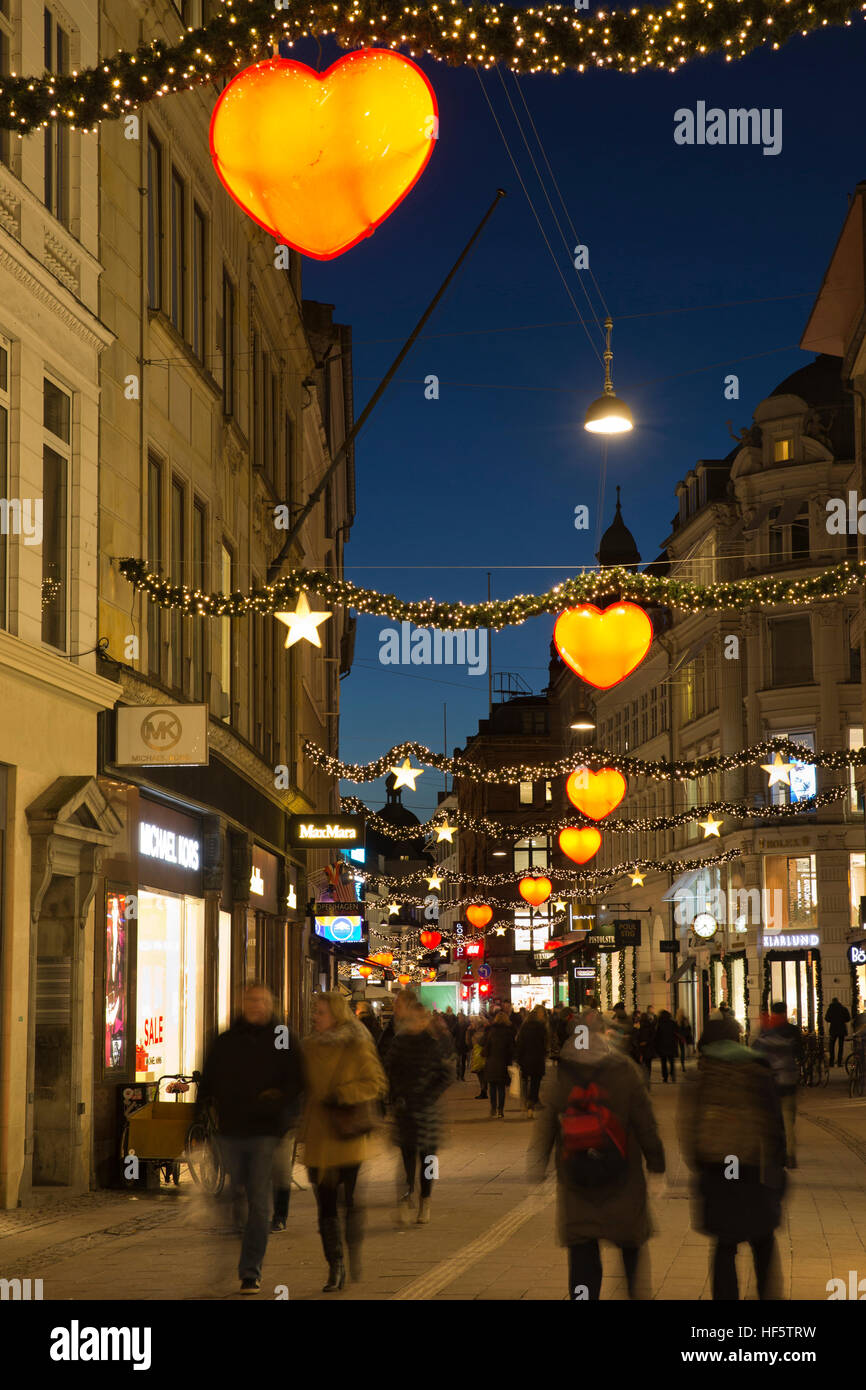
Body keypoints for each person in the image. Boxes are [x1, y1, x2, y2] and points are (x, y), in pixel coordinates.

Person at [529, 1009, 665, 1300]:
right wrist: (657, 1166)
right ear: (604, 1035)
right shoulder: (624, 1070)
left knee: (582, 1257)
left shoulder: (564, 1073)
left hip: (576, 1176)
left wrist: (538, 1166)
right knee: (630, 1248)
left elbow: (548, 1123)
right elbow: (645, 1122)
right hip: (623, 1175)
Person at [197, 982, 305, 1295]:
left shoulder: (283, 1037)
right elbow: (208, 1080)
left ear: (270, 1004)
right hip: (230, 1130)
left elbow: (298, 1080)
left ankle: (250, 1271)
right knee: (234, 1193)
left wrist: (282, 1111)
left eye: (261, 1001)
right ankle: (240, 1232)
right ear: (242, 1004)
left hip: (265, 1132)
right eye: (250, 1000)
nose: (255, 1006)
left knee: (259, 1201)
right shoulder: (226, 1040)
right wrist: (198, 1118)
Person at [678, 1014, 787, 1300]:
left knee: (725, 1243)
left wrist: (699, 1165)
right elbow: (774, 1124)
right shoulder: (757, 1069)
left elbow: (689, 1126)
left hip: (717, 1168)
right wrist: (778, 1165)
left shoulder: (700, 1075)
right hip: (753, 1167)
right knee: (762, 1239)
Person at [301, 991, 387, 1292]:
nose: (315, 1017)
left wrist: (343, 1094)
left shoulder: (357, 1043)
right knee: (325, 1206)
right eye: (314, 1011)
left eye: (320, 1012)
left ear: (336, 1014)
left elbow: (376, 1082)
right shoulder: (308, 1046)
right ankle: (334, 1265)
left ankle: (352, 1248)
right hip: (318, 1138)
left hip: (347, 1135)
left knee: (348, 1203)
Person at [386, 1001, 454, 1225]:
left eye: (420, 1019)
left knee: (429, 1160)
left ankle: (426, 1198)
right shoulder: (399, 1043)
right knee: (406, 1159)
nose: (416, 1023)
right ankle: (405, 1198)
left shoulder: (433, 1044)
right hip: (405, 1109)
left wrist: (430, 1095)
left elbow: (446, 1075)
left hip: (427, 1111)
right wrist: (395, 1096)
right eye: (412, 1019)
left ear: (425, 1020)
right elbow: (389, 1071)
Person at [751, 1002, 802, 1168]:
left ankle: (773, 1153)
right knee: (788, 1121)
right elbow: (799, 1053)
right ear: (785, 1012)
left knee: (772, 1120)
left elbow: (755, 1056)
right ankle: (790, 1155)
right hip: (788, 1081)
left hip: (771, 1084)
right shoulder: (793, 1031)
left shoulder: (765, 1033)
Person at [515, 1004, 548, 1118]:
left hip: (525, 1058)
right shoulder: (541, 1027)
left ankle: (526, 1101)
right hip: (537, 1058)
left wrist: (518, 1058)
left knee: (524, 1081)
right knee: (535, 1082)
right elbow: (545, 1044)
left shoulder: (524, 1027)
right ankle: (531, 1104)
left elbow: (519, 1043)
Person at [482, 1011, 515, 1118]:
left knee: (492, 1087)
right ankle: (500, 1110)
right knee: (501, 1088)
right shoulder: (508, 1033)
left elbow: (485, 1049)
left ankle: (493, 1108)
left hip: (491, 1062)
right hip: (503, 1063)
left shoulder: (491, 1032)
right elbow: (511, 1049)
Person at [467, 1014, 489, 1099]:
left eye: (472, 1022)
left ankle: (483, 1091)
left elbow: (470, 1044)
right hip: (480, 1055)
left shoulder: (479, 1033)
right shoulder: (481, 1032)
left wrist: (469, 1033)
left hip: (480, 1055)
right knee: (481, 1074)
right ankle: (483, 1090)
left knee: (481, 1074)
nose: (471, 1023)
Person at [825, 996, 851, 1067]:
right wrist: (842, 1020)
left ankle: (831, 1062)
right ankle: (839, 1062)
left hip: (833, 1029)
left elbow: (826, 1018)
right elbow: (848, 1018)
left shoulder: (830, 1009)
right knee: (841, 1046)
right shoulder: (843, 1008)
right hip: (841, 1029)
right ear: (839, 1001)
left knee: (831, 1046)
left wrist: (833, 1020)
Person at [654, 1009, 678, 1083]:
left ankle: (665, 1077)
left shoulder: (659, 1024)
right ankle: (672, 1075)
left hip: (662, 1046)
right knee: (671, 1062)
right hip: (671, 1045)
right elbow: (676, 1033)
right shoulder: (672, 1023)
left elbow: (657, 1036)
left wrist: (657, 1046)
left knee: (663, 1063)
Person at [636, 1011, 657, 1081]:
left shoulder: (638, 1026)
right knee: (648, 1063)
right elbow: (653, 1036)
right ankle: (648, 1076)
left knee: (642, 1062)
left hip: (641, 1047)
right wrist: (647, 1042)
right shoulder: (650, 1026)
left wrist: (640, 1043)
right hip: (649, 1047)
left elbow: (636, 1036)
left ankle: (643, 1076)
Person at [454, 1011, 471, 1081]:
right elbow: (453, 1033)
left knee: (463, 1062)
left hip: (463, 1045)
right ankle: (459, 1075)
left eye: (461, 1017)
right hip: (459, 1045)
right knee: (459, 1062)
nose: (460, 1019)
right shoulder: (457, 1025)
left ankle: (461, 1076)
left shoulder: (466, 1025)